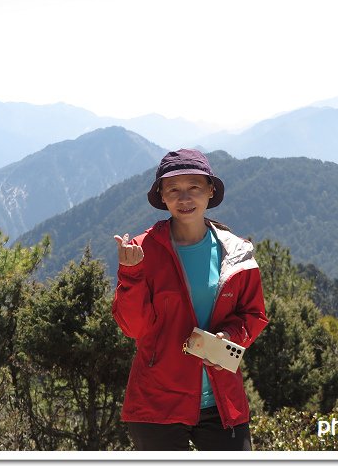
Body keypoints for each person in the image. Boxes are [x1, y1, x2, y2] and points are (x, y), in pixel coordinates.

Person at [112, 148, 268, 451]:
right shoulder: (142, 250)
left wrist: (228, 338)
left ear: (210, 191)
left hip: (221, 401)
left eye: (194, 188)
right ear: (162, 196)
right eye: (174, 190)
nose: (184, 199)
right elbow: (132, 328)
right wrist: (130, 275)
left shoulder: (235, 252)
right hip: (157, 404)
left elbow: (253, 315)